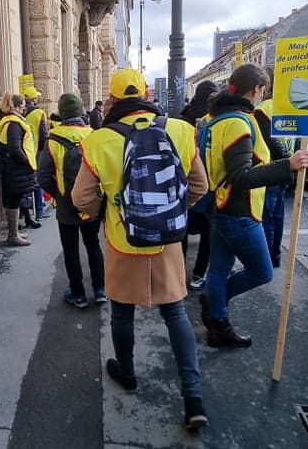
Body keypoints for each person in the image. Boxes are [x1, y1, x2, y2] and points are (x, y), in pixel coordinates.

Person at [73, 68, 210, 430]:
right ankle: (193, 399)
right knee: (175, 313)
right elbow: (200, 185)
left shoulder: (98, 140)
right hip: (167, 241)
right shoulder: (180, 130)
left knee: (122, 313)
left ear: (113, 100)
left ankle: (128, 372)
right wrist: (174, 214)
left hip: (123, 242)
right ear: (147, 95)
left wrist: (99, 213)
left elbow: (81, 198)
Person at [200, 64, 308, 348]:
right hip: (238, 211)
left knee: (218, 270)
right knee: (262, 271)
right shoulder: (238, 122)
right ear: (258, 90)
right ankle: (216, 306)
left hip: (220, 206)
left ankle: (218, 323)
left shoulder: (213, 120)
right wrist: (287, 165)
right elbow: (241, 176)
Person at [37, 92, 105, 308]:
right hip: (91, 200)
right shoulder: (95, 135)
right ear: (80, 111)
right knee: (93, 244)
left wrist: (58, 194)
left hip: (66, 202)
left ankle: (78, 294)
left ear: (62, 113)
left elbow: (43, 176)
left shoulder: (53, 139)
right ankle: (100, 289)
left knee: (71, 249)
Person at [178, 80, 220, 290]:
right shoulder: (216, 121)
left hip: (185, 184)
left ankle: (178, 272)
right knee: (207, 236)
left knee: (182, 233)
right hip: (209, 186)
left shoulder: (184, 117)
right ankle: (198, 275)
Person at [254, 68, 293, 268]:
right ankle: (275, 255)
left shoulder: (263, 109)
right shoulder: (285, 106)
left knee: (267, 218)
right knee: (277, 216)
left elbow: (270, 143)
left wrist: (286, 160)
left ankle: (266, 259)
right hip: (284, 170)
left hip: (271, 169)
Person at [0, 93, 39, 245]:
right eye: (23, 106)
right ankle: (13, 236)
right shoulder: (14, 123)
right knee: (13, 200)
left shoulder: (4, 121)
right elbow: (15, 149)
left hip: (8, 168)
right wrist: (28, 162)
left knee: (12, 200)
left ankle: (14, 232)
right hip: (15, 169)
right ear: (17, 107)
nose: (24, 109)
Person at [22, 86, 50, 221]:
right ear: (33, 99)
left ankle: (25, 211)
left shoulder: (19, 113)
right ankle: (39, 210)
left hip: (23, 151)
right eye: (36, 97)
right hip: (36, 151)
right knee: (37, 180)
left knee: (25, 181)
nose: (38, 98)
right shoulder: (39, 113)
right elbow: (44, 134)